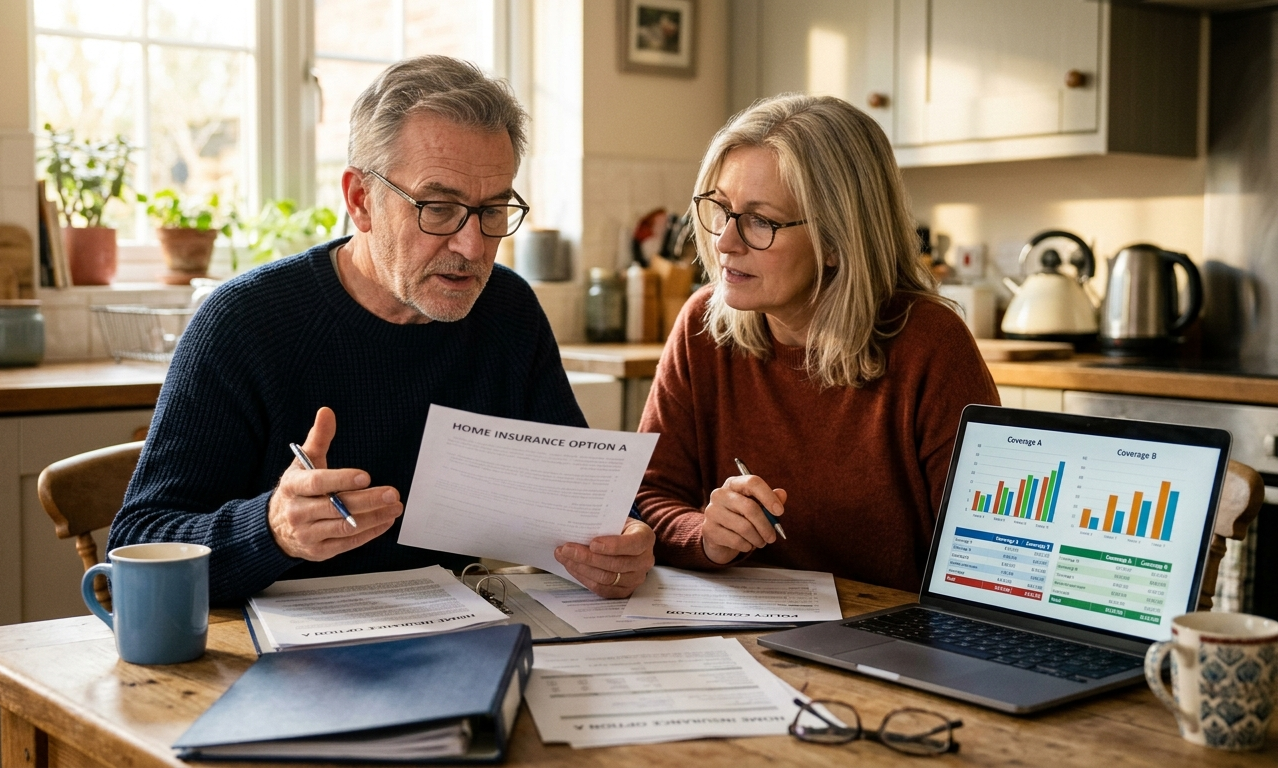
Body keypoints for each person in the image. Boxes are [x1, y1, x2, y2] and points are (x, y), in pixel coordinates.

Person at [109, 56, 653, 605]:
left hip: (455, 637)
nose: (471, 247)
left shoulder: (506, 310)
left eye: (492, 211)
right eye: (438, 208)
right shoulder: (244, 323)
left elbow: (582, 501)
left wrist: (620, 543)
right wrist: (272, 530)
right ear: (360, 200)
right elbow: (137, 541)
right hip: (273, 655)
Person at [636, 94, 999, 592]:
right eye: (720, 209)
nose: (724, 241)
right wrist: (706, 535)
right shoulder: (703, 325)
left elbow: (983, 553)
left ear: (836, 240)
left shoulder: (929, 344)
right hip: (739, 628)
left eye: (761, 221)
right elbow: (649, 499)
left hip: (885, 635)